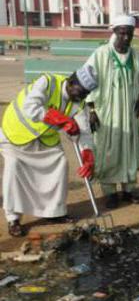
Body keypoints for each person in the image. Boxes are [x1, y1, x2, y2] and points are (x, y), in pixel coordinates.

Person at [0, 65, 98, 236]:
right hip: (15, 134)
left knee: (60, 162)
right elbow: (31, 108)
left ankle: (53, 213)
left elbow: (84, 132)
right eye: (80, 92)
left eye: (85, 95)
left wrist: (88, 155)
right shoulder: (47, 82)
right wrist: (62, 120)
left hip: (44, 139)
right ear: (71, 81)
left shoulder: (79, 103)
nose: (82, 97)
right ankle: (13, 218)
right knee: (13, 166)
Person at [85, 15, 139, 209]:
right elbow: (87, 80)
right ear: (114, 33)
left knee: (129, 148)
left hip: (128, 112)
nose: (126, 38)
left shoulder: (135, 56)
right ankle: (110, 193)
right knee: (108, 150)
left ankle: (128, 190)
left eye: (129, 34)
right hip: (107, 112)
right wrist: (92, 109)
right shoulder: (101, 54)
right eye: (122, 33)